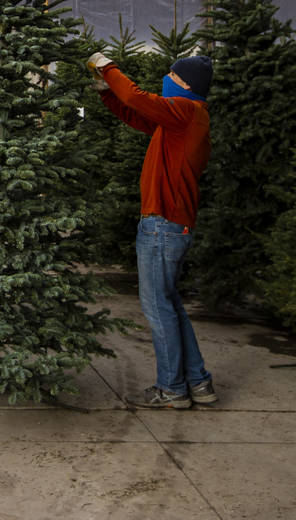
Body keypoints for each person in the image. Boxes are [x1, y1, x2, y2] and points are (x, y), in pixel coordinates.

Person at [86, 51, 217, 409]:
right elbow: (134, 112)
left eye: (172, 77)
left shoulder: (185, 113)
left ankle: (172, 388)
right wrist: (105, 92)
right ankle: (199, 382)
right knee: (169, 303)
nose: (166, 80)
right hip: (172, 226)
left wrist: (106, 65)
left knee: (158, 307)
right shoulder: (182, 121)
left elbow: (137, 97)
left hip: (162, 225)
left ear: (186, 85)